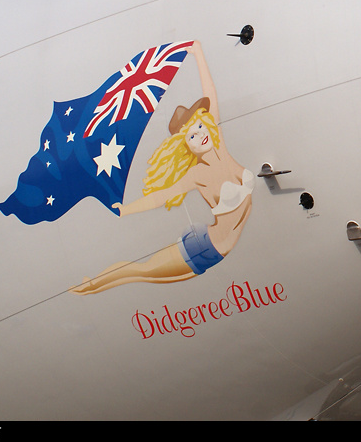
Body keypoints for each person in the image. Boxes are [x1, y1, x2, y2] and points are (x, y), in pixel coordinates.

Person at [72, 40, 251, 294]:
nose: (198, 135)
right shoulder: (198, 174)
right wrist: (126, 210)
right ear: (185, 146)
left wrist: (198, 52)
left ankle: (93, 284)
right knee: (143, 272)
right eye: (190, 136)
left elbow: (209, 93)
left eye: (199, 127)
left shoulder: (218, 142)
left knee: (145, 274)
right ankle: (93, 284)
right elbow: (161, 197)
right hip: (204, 248)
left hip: (216, 250)